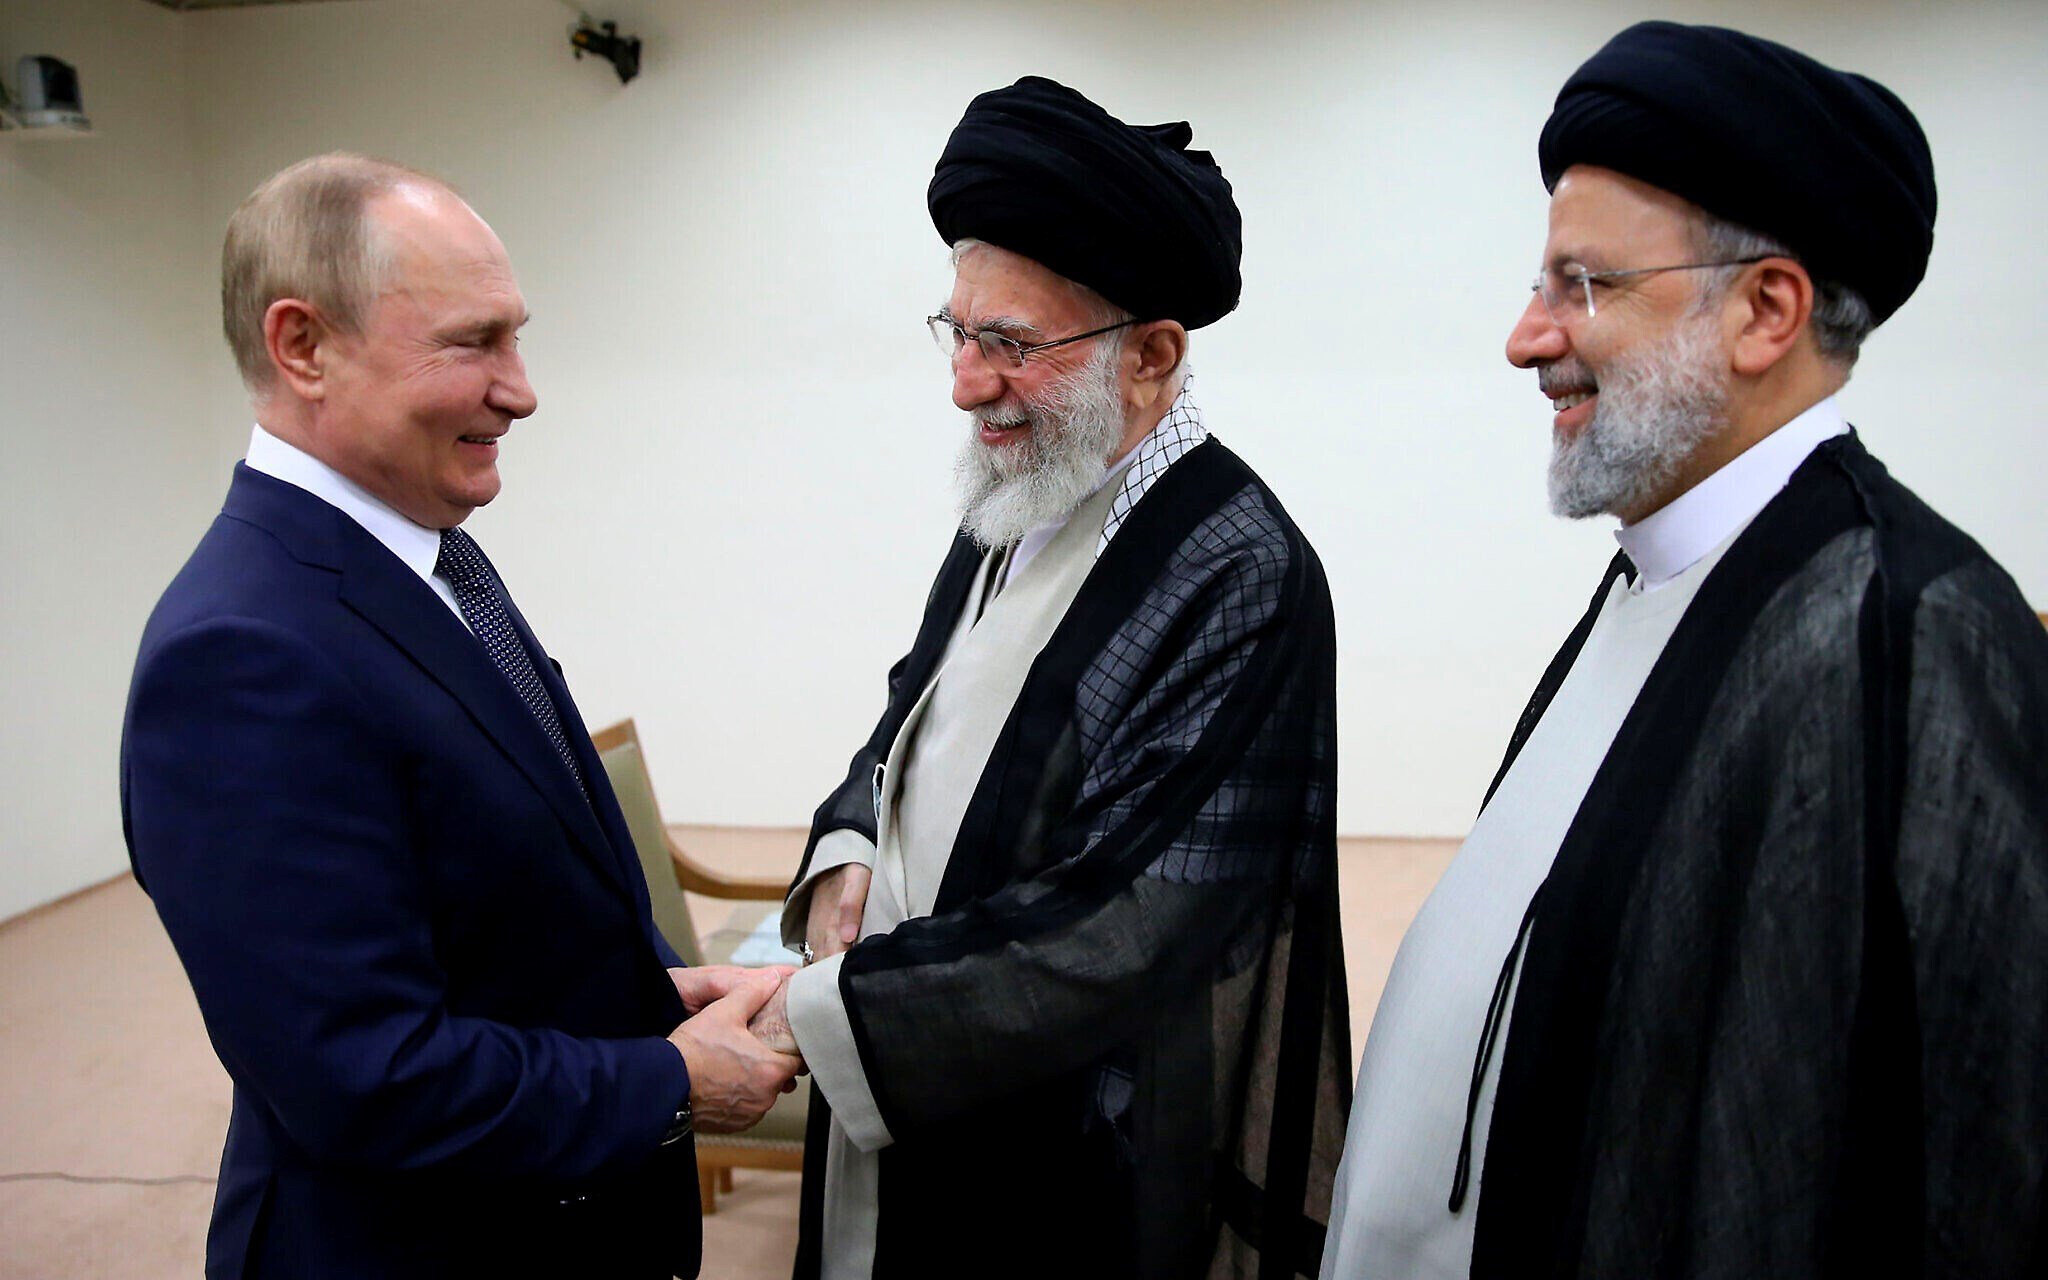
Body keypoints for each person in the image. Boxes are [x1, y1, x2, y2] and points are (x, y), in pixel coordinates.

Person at [1321, 21, 2048, 1280]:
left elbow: (1954, 1163)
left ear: (1765, 310)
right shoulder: (1657, 571)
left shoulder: (1908, 629)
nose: (1526, 336)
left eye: (1581, 285)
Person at [120, 153, 802, 1280]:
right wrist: (670, 1078)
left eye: (516, 337)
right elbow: (360, 1070)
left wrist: (644, 996)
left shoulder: (430, 557)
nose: (521, 387)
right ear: (304, 347)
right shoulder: (241, 655)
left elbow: (476, 898)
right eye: (471, 342)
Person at [748, 77, 1351, 1280]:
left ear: (1152, 355)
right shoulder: (1015, 495)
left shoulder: (1237, 566)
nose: (966, 382)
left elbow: (1137, 916)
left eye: (1011, 345)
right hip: (917, 1046)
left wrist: (827, 1013)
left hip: (1070, 1150)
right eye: (959, 333)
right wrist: (848, 849)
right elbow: (908, 714)